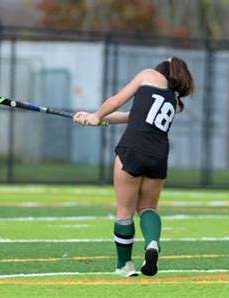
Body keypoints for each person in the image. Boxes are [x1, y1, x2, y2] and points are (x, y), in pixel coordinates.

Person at [73, 57, 195, 277]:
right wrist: (96, 119)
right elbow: (132, 116)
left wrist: (97, 115)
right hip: (158, 155)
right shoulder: (175, 102)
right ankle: (152, 244)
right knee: (148, 208)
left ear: (163, 68)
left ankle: (124, 265)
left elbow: (117, 100)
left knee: (124, 213)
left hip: (132, 149)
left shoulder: (149, 75)